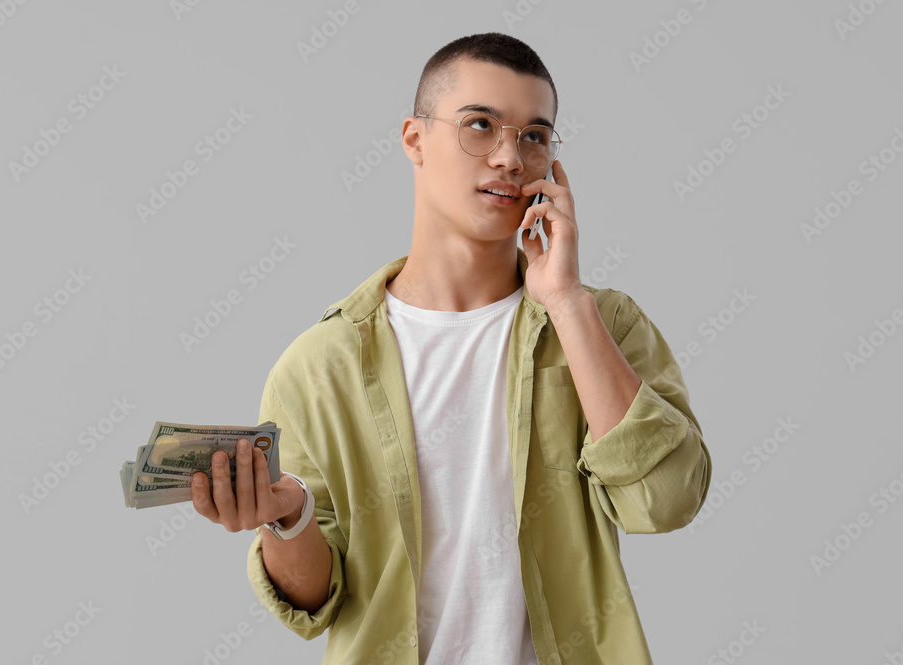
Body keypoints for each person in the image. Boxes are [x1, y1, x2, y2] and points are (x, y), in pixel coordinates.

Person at [191, 32, 712, 665]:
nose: (509, 158)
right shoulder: (320, 365)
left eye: (534, 136)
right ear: (415, 138)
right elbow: (315, 603)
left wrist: (567, 302)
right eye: (480, 126)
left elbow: (667, 500)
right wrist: (287, 518)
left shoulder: (603, 323)